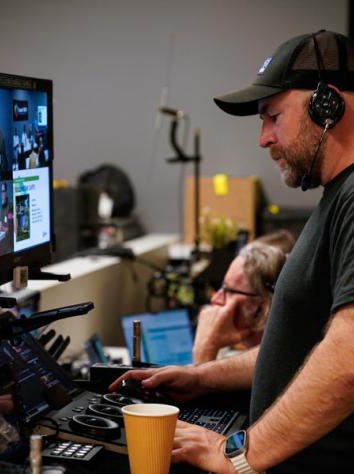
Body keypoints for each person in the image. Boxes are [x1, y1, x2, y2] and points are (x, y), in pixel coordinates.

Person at [110, 30, 354, 473]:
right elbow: (303, 352)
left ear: (327, 105)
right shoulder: (336, 197)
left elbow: (349, 358)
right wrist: (202, 377)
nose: (263, 138)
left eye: (272, 117)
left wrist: (237, 456)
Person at [193, 241, 286, 364]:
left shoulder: (278, 366)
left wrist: (205, 347)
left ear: (261, 308)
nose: (215, 299)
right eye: (222, 287)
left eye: (229, 290)